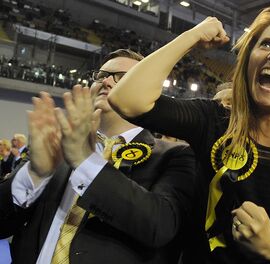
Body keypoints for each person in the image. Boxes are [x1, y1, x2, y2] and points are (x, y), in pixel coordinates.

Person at [108, 5, 270, 263]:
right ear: (248, 61)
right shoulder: (213, 120)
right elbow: (125, 98)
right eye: (266, 45)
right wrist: (192, 36)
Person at [0, 49, 197, 263]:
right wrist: (35, 174)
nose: (107, 82)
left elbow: (160, 227)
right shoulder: (57, 146)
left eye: (123, 77)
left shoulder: (175, 156)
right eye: (101, 75)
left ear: (149, 94)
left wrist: (85, 160)